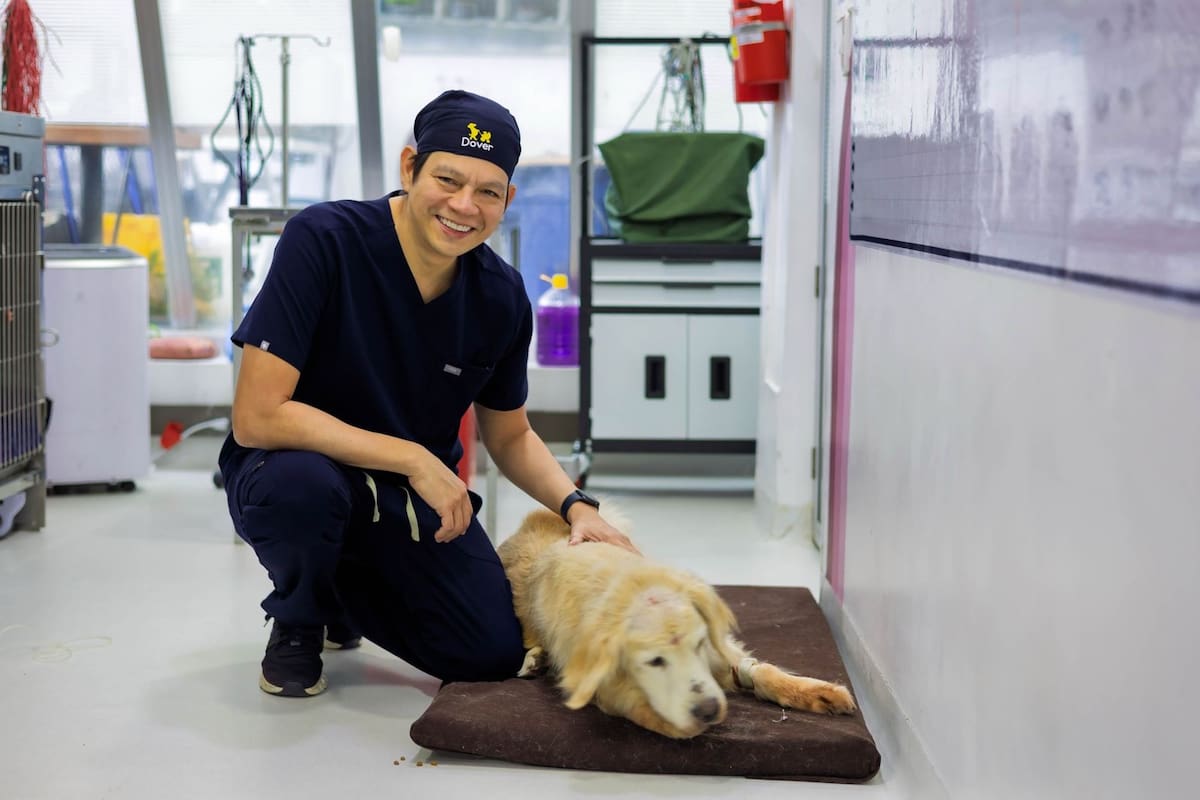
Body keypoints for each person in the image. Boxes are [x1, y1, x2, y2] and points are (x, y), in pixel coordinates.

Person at [218, 89, 636, 698]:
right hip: (294, 469)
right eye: (448, 178)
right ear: (410, 167)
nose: (464, 206)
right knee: (303, 494)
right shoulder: (325, 240)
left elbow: (510, 433)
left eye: (488, 191)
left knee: (489, 653)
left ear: (507, 200)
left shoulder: (500, 297)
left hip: (410, 502)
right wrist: (414, 458)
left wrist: (576, 505)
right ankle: (300, 615)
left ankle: (338, 592)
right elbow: (257, 417)